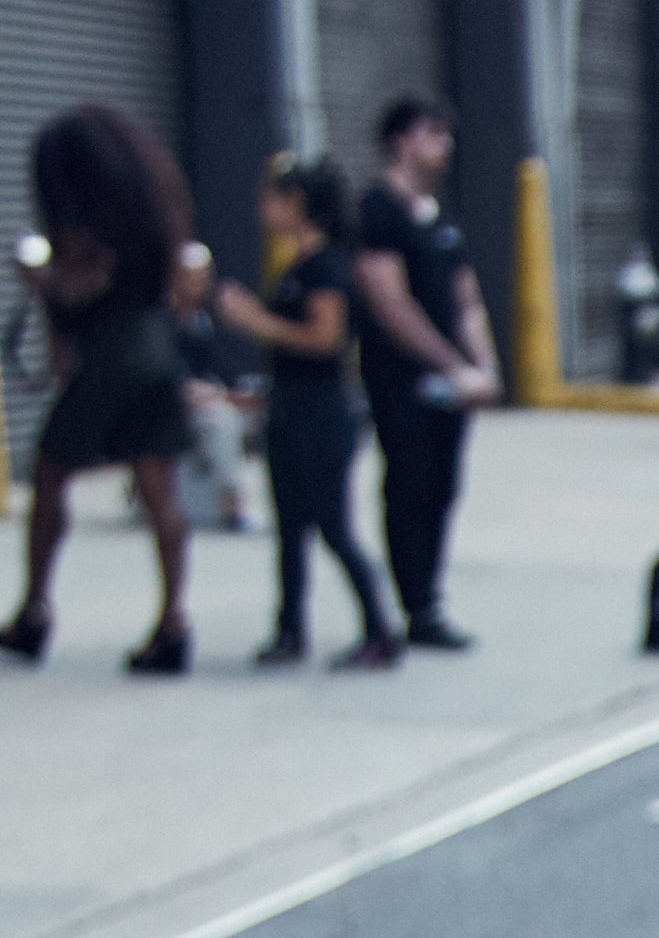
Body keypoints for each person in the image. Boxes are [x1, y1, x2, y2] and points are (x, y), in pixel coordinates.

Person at [7, 102, 201, 670]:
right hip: (156, 348)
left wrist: (41, 285)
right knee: (161, 494)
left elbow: (79, 288)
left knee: (50, 474)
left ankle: (35, 609)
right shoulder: (155, 205)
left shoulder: (85, 222)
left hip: (110, 356)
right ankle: (173, 622)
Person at [213, 153, 400, 668]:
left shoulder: (325, 268)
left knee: (333, 526)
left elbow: (325, 338)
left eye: (269, 199)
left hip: (320, 414)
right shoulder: (298, 264)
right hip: (290, 409)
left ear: (295, 203)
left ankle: (381, 629)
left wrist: (255, 321)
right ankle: (290, 628)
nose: (261, 211)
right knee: (291, 525)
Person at [350, 92, 499, 648]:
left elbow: (467, 300)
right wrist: (451, 363)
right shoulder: (379, 213)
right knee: (408, 483)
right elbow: (390, 304)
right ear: (401, 141)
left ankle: (430, 599)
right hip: (401, 379)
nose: (446, 144)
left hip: (452, 384)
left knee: (443, 485)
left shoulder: (441, 220)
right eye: (433, 133)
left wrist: (484, 365)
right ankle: (414, 602)